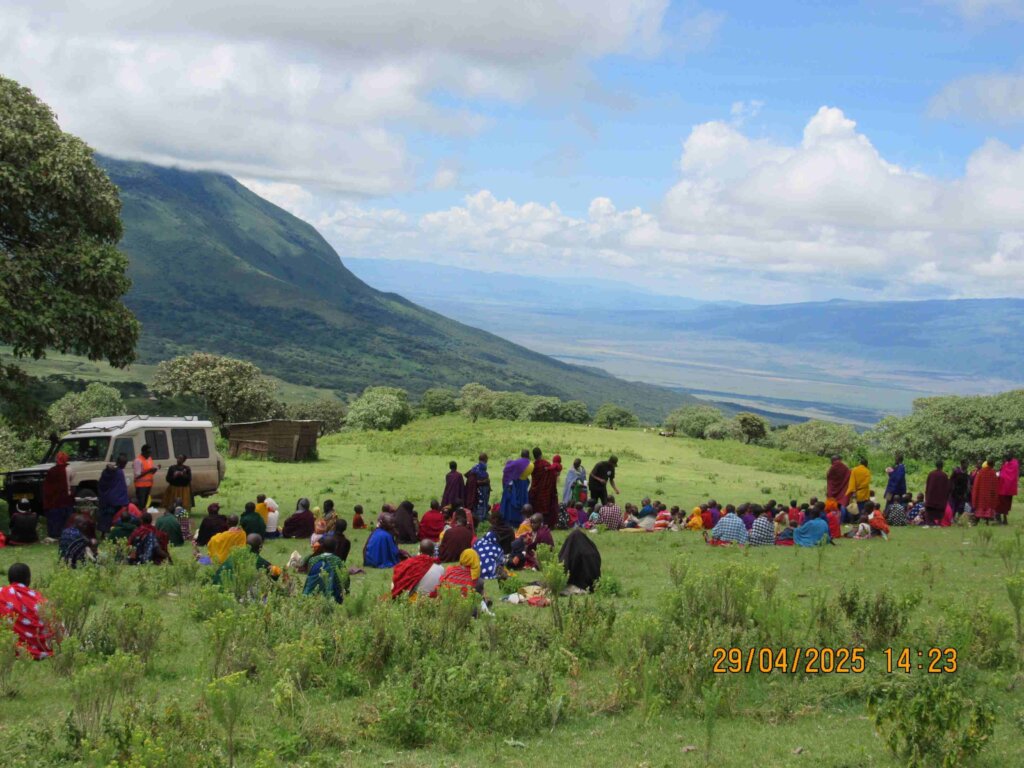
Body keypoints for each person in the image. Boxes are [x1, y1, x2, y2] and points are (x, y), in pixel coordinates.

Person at [0, 564, 53, 659]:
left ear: (9, 579)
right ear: (28, 580)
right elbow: (52, 622)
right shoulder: (38, 598)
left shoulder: (2, 594)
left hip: (8, 644)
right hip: (41, 644)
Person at [213, 534, 280, 586]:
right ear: (260, 547)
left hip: (215, 587)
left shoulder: (234, 555)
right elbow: (275, 576)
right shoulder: (258, 560)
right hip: (231, 591)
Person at [303, 536, 348, 604]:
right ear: (335, 547)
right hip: (332, 596)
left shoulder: (313, 560)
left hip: (312, 594)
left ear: (322, 547)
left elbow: (309, 579)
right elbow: (344, 580)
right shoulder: (337, 561)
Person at [42, 451, 74, 539]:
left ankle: (54, 534)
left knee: (55, 519)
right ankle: (67, 534)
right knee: (66, 519)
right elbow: (71, 483)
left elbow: (47, 487)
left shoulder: (52, 471)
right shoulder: (70, 469)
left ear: (57, 459)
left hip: (54, 500)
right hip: (66, 499)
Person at [97, 454, 131, 536]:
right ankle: (107, 535)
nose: (125, 466)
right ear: (122, 463)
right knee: (109, 518)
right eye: (124, 464)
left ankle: (104, 534)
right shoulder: (115, 471)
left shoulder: (115, 471)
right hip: (115, 501)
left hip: (108, 499)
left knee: (106, 518)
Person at [528, 448, 560, 528]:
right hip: (546, 492)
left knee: (536, 506)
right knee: (546, 508)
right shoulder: (546, 464)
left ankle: (535, 522)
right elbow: (553, 477)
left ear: (534, 456)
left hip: (536, 490)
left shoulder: (533, 465)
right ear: (541, 454)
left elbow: (534, 479)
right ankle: (547, 524)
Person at [499, 451, 532, 527]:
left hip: (513, 486)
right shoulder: (530, 465)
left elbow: (506, 475)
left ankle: (510, 520)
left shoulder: (515, 465)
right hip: (522, 486)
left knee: (510, 504)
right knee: (521, 502)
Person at [464, 454, 491, 523]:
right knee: (480, 503)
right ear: (485, 459)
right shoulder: (480, 467)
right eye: (486, 459)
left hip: (482, 489)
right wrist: (484, 481)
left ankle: (482, 515)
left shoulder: (475, 467)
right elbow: (475, 481)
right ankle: (480, 517)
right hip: (480, 489)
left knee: (482, 503)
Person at [972, 459, 1000, 524]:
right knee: (988, 507)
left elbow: (976, 484)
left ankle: (976, 521)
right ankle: (987, 522)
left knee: (980, 507)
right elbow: (995, 485)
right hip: (989, 494)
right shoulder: (993, 473)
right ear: (992, 465)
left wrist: (976, 492)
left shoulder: (981, 472)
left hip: (981, 494)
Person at [924, 460, 951, 526]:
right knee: (939, 512)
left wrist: (927, 495)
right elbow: (947, 488)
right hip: (940, 499)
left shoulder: (931, 474)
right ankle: (938, 523)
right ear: (942, 466)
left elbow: (927, 486)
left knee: (930, 511)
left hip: (931, 498)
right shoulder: (944, 475)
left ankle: (930, 523)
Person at [132, 445, 159, 510]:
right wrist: (148, 471)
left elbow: (151, 472)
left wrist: (155, 469)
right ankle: (140, 516)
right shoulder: (138, 460)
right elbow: (137, 475)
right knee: (141, 503)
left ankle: (143, 515)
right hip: (141, 486)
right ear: (143, 452)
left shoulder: (149, 458)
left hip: (148, 485)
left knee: (145, 503)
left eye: (150, 452)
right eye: (148, 452)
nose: (149, 454)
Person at [997, 453, 1019, 525]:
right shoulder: (1013, 463)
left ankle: (1003, 520)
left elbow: (1003, 475)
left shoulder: (1011, 464)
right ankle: (1004, 519)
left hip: (1003, 489)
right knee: (1005, 505)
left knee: (1002, 505)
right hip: (1008, 489)